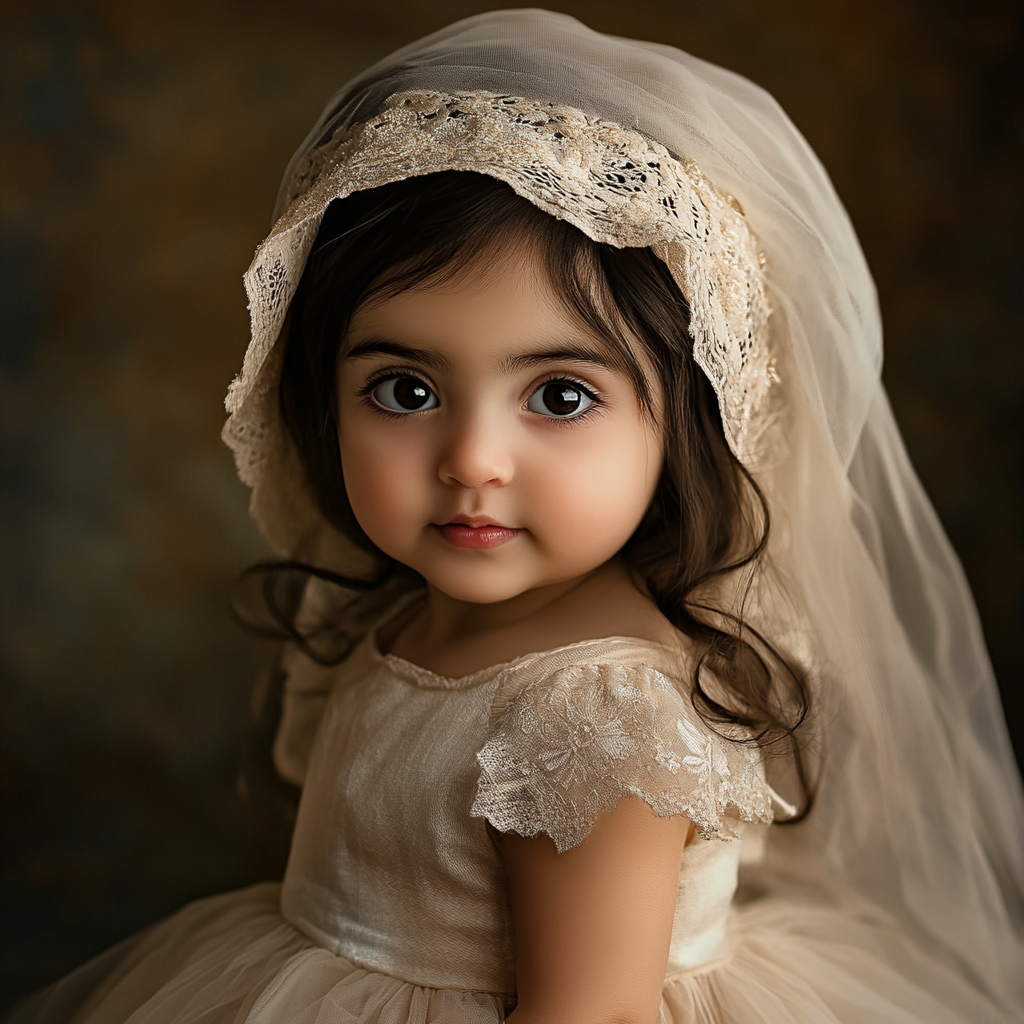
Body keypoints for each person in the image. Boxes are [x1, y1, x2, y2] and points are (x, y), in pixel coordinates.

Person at [9, 9, 1023, 1024]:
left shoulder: (599, 715)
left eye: (559, 396)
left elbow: (590, 1012)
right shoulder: (414, 607)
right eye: (404, 390)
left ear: (683, 427)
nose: (470, 462)